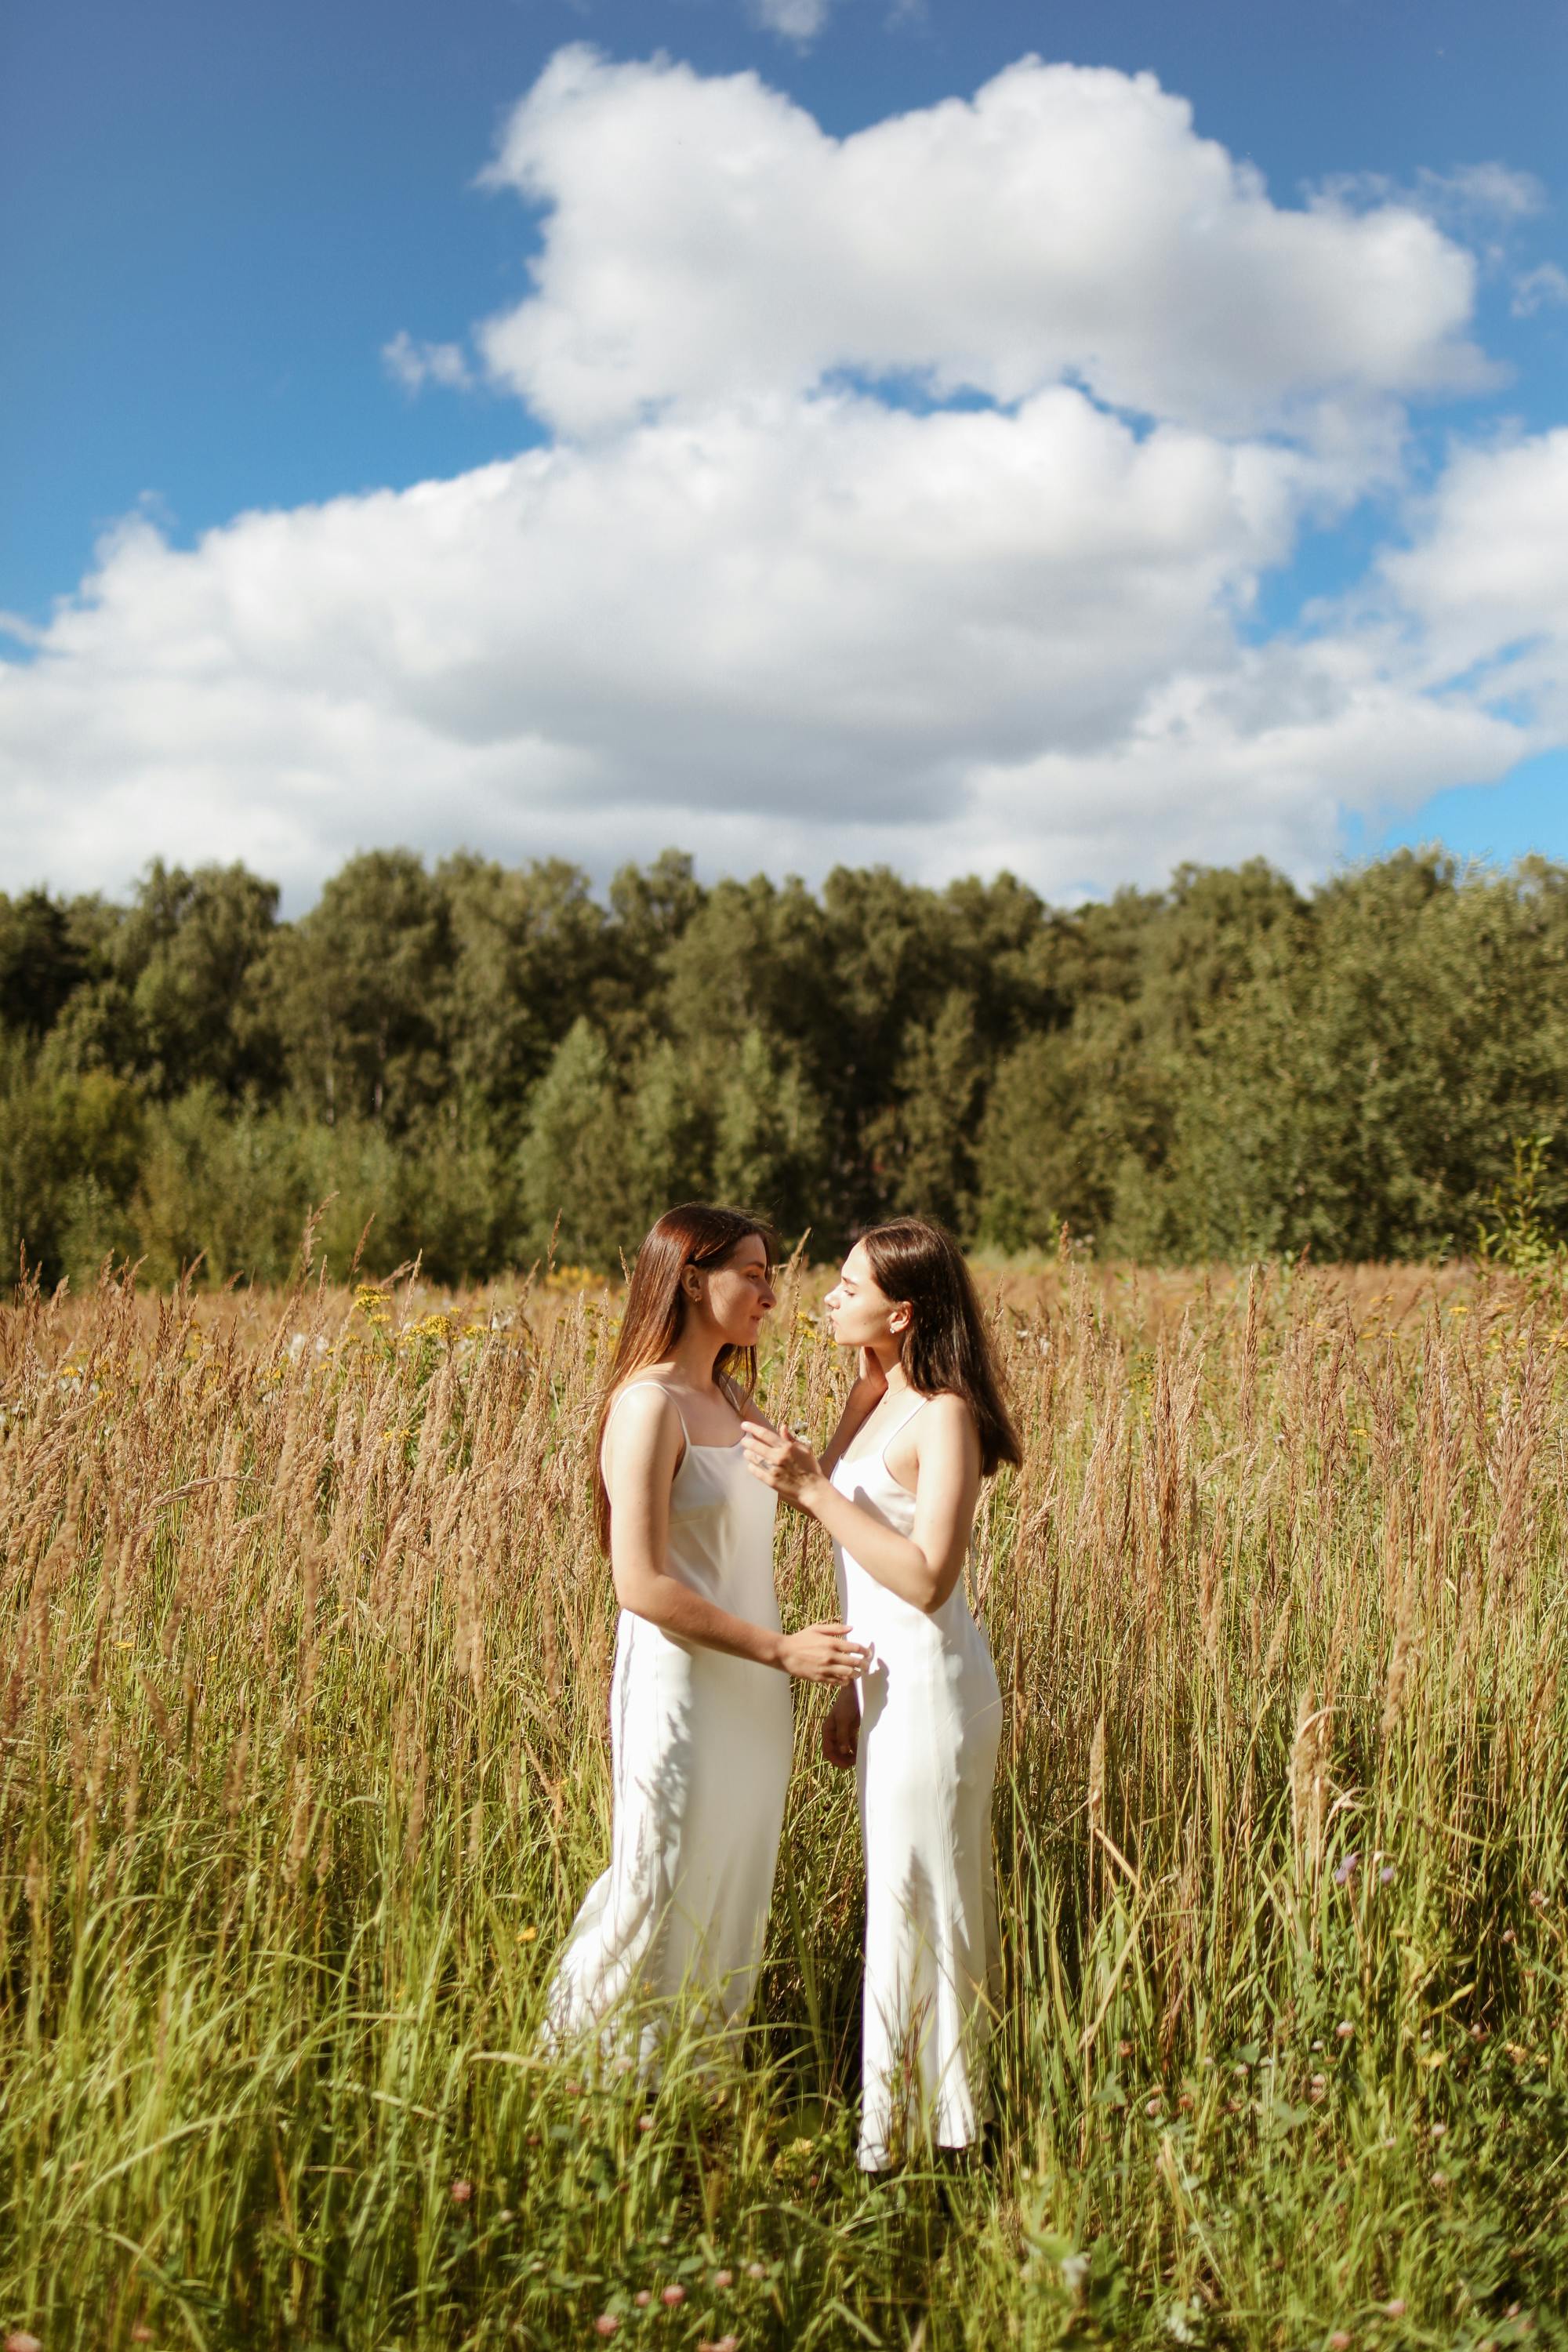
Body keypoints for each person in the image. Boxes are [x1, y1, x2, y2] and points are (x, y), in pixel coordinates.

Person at [544, 1203, 869, 2061]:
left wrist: (871, 1391)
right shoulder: (649, 1406)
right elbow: (640, 1583)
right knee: (657, 1881)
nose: (770, 1292)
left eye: (771, 1275)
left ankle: (696, 2076)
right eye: (752, 1274)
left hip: (755, 1698)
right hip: (683, 1687)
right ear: (692, 1280)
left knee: (731, 1885)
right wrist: (783, 1651)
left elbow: (810, 1486)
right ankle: (590, 2074)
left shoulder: (726, 1395)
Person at [741, 1217, 1021, 2169]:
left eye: (848, 1286)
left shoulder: (943, 1414)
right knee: (897, 1893)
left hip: (939, 1691)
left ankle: (947, 2134)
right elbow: (863, 1566)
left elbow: (929, 1576)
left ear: (900, 1313)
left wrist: (812, 1489)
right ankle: (903, 2126)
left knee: (930, 1894)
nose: (825, 1295)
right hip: (886, 1684)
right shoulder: (867, 1395)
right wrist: (849, 1687)